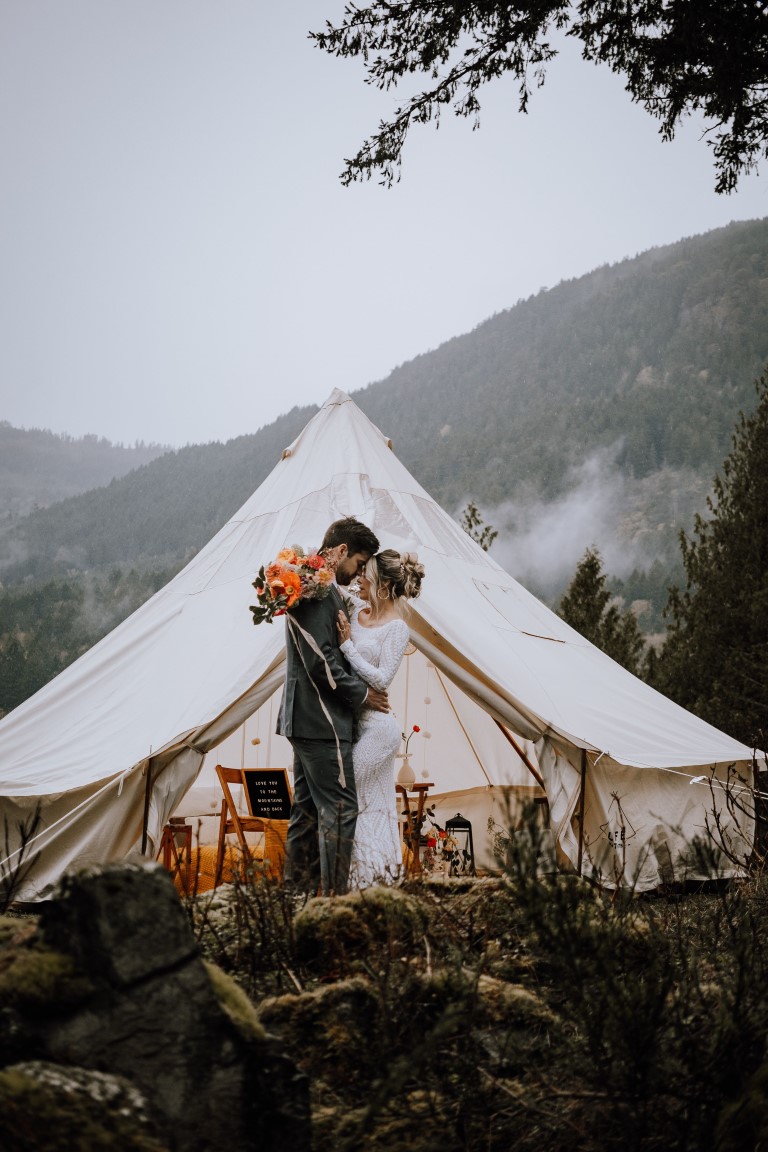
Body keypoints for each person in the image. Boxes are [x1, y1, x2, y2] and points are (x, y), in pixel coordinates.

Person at [277, 516, 389, 897]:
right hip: (321, 722)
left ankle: (297, 897)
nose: (357, 573)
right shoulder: (315, 591)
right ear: (340, 551)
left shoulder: (318, 588)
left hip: (305, 720)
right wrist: (362, 695)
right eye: (358, 564)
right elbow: (319, 660)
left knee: (307, 812)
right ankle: (334, 902)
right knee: (340, 809)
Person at [335, 549, 425, 887]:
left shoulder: (398, 628)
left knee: (350, 794)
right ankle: (370, 883)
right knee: (368, 805)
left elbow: (382, 679)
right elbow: (331, 586)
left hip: (379, 729)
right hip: (355, 725)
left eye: (366, 575)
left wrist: (347, 647)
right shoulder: (356, 609)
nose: (359, 579)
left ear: (383, 585)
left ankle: (366, 884)